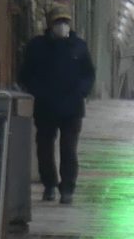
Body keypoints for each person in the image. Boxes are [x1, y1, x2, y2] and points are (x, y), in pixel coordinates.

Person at [19, 13, 96, 204]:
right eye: (58, 22)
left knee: (68, 148)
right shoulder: (37, 47)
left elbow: (88, 73)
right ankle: (49, 184)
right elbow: (26, 74)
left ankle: (68, 187)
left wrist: (81, 92)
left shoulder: (78, 46)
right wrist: (38, 91)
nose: (62, 25)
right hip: (46, 106)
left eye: (65, 22)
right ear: (50, 24)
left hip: (72, 107)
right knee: (44, 148)